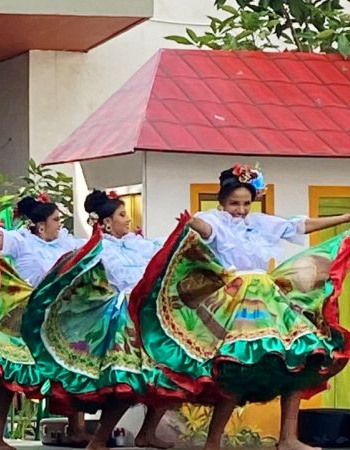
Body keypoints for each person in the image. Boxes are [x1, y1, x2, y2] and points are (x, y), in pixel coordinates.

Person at [136, 164, 350, 450]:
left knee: (301, 355)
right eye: (234, 203)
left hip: (270, 298)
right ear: (222, 201)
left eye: (246, 203)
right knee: (235, 364)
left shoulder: (260, 222)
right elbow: (206, 229)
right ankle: (213, 441)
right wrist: (191, 223)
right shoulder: (215, 220)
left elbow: (298, 226)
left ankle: (287, 437)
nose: (240, 209)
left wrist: (345, 216)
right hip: (234, 300)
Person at [22, 190, 180, 450]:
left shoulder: (135, 242)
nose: (128, 220)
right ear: (106, 222)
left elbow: (161, 250)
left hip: (145, 312)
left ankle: (147, 432)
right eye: (122, 215)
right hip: (121, 318)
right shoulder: (100, 247)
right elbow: (117, 276)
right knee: (125, 381)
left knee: (168, 372)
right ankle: (97, 439)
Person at [0, 196, 89, 450]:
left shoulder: (66, 243)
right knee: (6, 376)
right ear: (40, 226)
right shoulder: (21, 241)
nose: (60, 224)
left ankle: (77, 429)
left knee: (71, 368)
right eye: (56, 220)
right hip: (24, 318)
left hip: (58, 318)